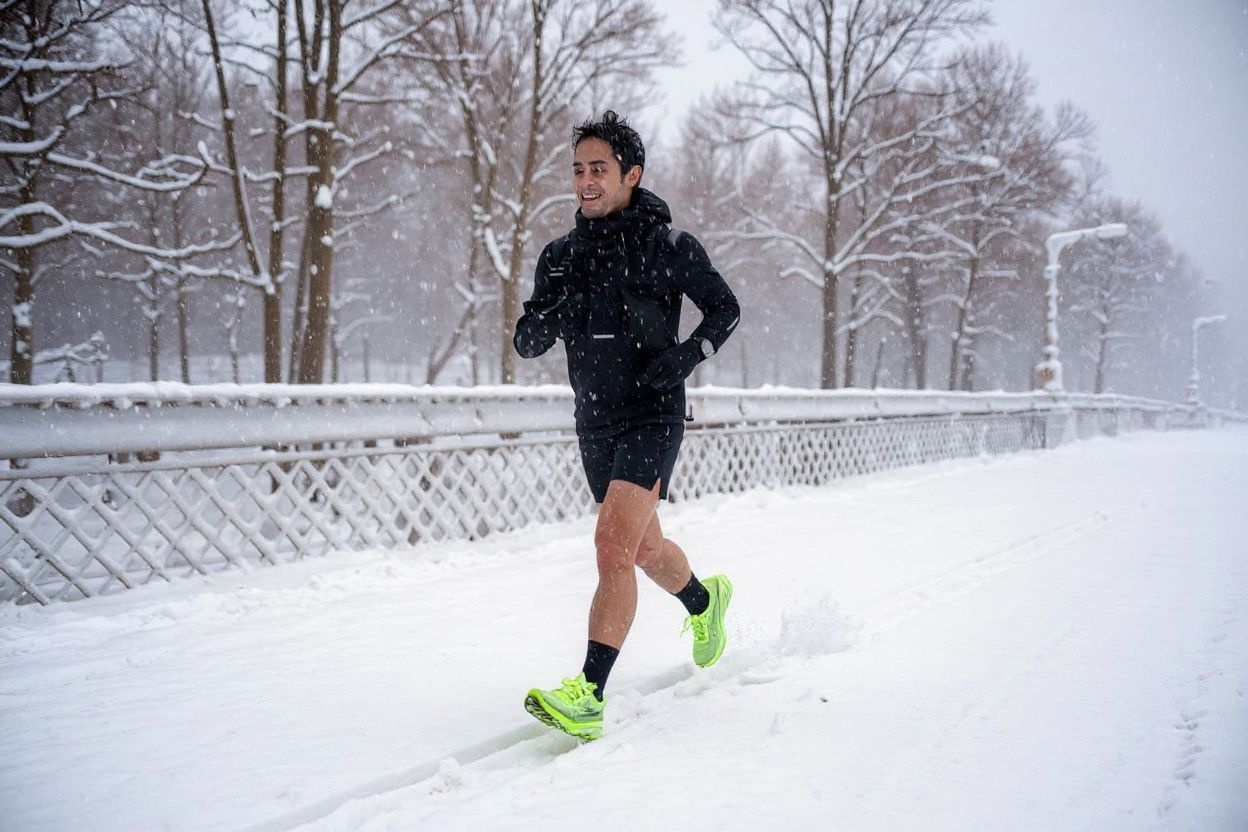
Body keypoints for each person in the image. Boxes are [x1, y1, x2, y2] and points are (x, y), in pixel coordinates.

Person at [514, 110, 740, 741]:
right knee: (641, 549)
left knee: (611, 548)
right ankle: (705, 600)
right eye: (578, 170)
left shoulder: (668, 248)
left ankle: (588, 693)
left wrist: (687, 356)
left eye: (600, 169)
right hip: (595, 420)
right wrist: (557, 308)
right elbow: (527, 341)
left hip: (653, 411)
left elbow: (726, 309)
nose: (586, 181)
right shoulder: (560, 258)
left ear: (631, 175)